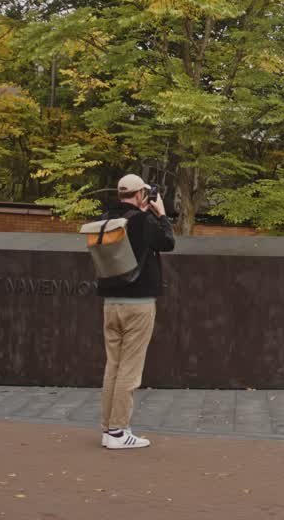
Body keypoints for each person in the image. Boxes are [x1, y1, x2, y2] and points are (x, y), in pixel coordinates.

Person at [99, 173, 174, 449]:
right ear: (141, 194)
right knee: (130, 370)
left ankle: (108, 429)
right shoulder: (143, 221)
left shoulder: (106, 219)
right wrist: (161, 214)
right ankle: (119, 431)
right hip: (138, 304)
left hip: (111, 303)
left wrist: (144, 213)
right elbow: (167, 242)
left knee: (113, 367)